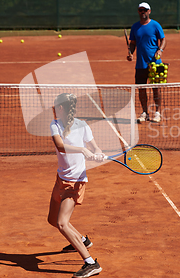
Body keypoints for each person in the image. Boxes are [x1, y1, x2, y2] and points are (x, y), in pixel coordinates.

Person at [48, 93, 104, 278]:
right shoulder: (55, 125)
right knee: (52, 220)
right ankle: (82, 240)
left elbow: (95, 147)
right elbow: (60, 146)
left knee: (62, 223)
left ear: (62, 108)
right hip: (61, 179)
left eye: (56, 106)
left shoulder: (83, 125)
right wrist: (82, 149)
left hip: (76, 181)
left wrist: (98, 152)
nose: (53, 108)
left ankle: (90, 263)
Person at [127, 2, 167, 123]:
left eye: (145, 10)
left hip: (155, 63)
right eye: (140, 10)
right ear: (138, 12)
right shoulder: (135, 27)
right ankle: (145, 112)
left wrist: (160, 50)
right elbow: (133, 43)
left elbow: (163, 39)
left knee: (156, 88)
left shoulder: (155, 25)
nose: (142, 12)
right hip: (140, 64)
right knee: (141, 88)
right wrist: (130, 53)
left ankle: (158, 113)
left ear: (149, 11)